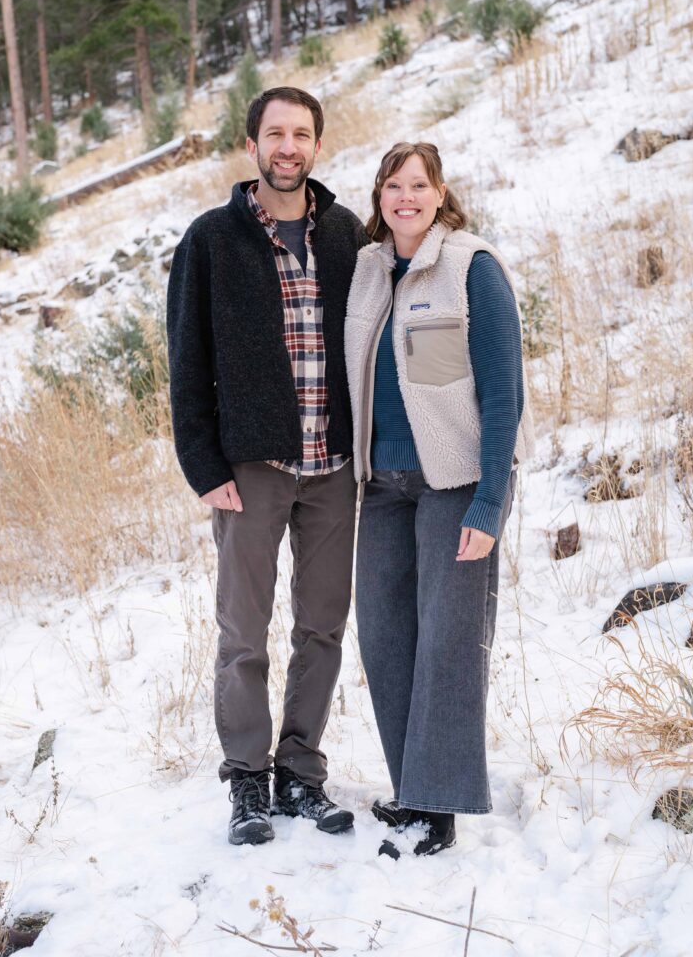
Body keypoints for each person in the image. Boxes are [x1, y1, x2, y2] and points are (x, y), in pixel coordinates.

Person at [166, 87, 368, 846]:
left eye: (302, 134)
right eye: (275, 133)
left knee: (321, 628)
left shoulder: (346, 233)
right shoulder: (211, 239)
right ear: (251, 144)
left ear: (316, 145)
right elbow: (186, 359)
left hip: (335, 466)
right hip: (250, 468)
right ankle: (247, 780)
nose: (288, 146)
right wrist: (201, 462)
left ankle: (301, 775)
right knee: (243, 634)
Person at [345, 142, 535, 859]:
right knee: (386, 638)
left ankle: (440, 806)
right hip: (381, 487)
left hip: (451, 484)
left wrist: (491, 503)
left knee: (447, 642)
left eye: (417, 185)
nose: (405, 198)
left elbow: (502, 392)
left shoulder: (470, 268)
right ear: (379, 195)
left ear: (439, 192)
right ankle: (410, 787)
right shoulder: (366, 271)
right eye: (393, 186)